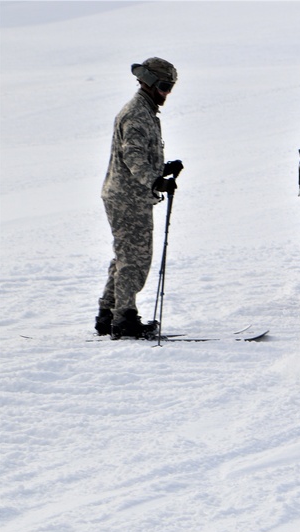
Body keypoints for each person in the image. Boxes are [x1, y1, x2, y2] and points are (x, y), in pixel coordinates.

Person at [95, 57, 181, 339]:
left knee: (124, 256)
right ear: (151, 83)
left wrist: (163, 169)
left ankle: (108, 313)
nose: (168, 93)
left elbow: (137, 155)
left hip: (128, 195)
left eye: (171, 87)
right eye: (165, 86)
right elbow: (133, 157)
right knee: (134, 259)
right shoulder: (137, 114)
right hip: (128, 198)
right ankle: (124, 319)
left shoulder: (145, 111)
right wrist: (155, 180)